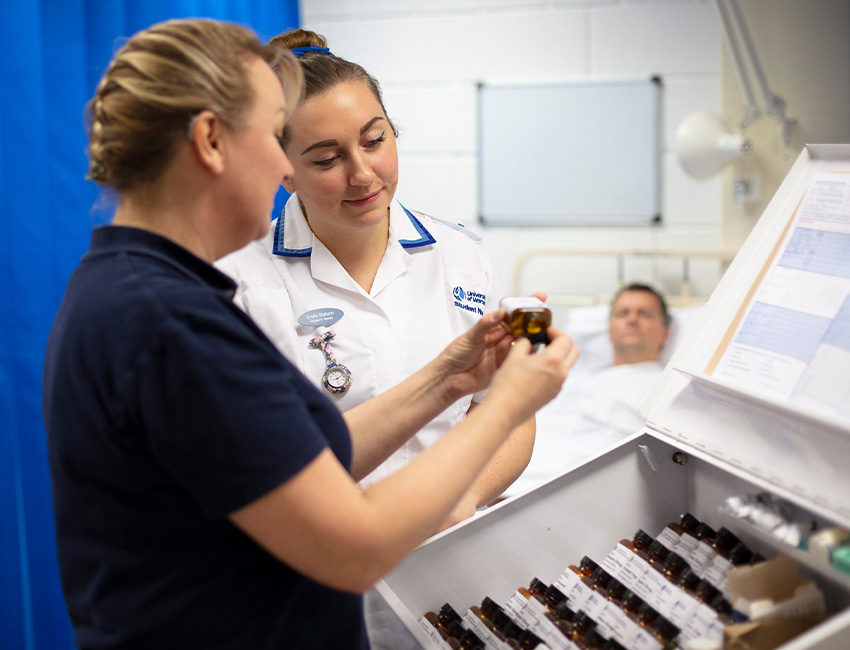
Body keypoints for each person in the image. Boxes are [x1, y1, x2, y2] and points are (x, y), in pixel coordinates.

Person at [41, 18, 577, 650]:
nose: (280, 168)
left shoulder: (129, 286)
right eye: (276, 139)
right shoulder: (172, 321)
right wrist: (512, 401)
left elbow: (311, 452)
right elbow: (355, 548)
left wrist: (448, 380)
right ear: (212, 141)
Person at [216, 28, 535, 530]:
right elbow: (249, 469)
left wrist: (465, 495)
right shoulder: (239, 285)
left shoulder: (463, 258)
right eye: (326, 159)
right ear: (283, 171)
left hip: (453, 544)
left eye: (373, 140)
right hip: (325, 564)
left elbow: (507, 412)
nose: (362, 173)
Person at [503, 283, 671, 498]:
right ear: (609, 330)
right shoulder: (571, 376)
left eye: (644, 314)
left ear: (665, 333)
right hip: (510, 473)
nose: (632, 319)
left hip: (553, 491)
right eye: (622, 313)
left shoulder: (666, 387)